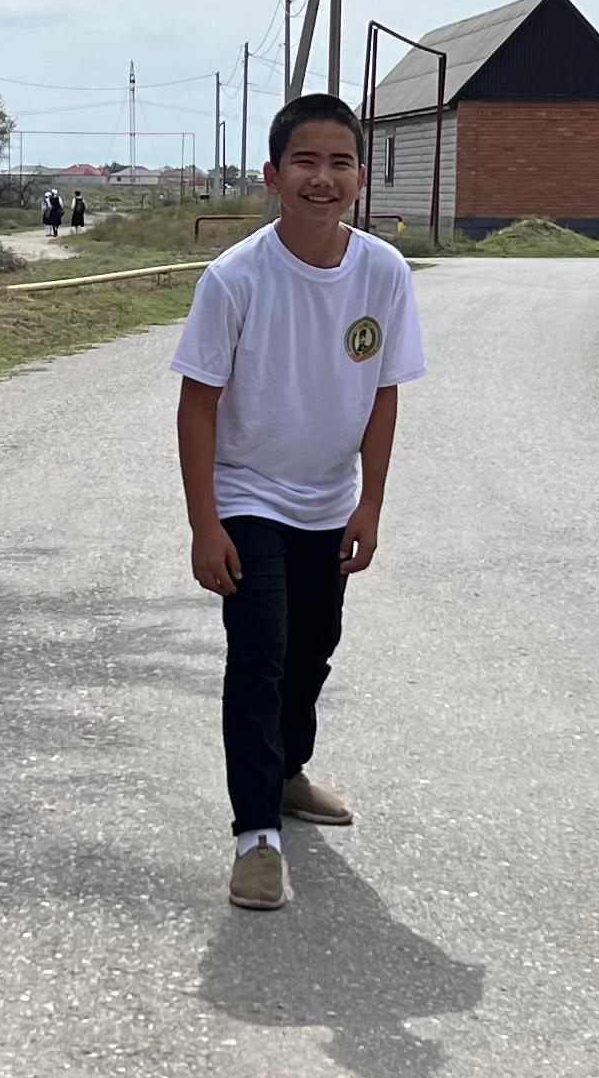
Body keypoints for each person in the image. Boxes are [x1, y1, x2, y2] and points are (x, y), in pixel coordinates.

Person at [174, 92, 426, 913]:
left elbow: (384, 393)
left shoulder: (383, 272)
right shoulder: (236, 277)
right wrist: (205, 523)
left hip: (329, 501)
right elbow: (198, 405)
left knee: (314, 649)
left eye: (339, 162)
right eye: (305, 162)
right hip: (248, 494)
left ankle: (286, 774)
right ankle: (256, 835)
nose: (323, 178)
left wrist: (371, 503)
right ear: (273, 175)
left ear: (361, 175)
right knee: (260, 654)